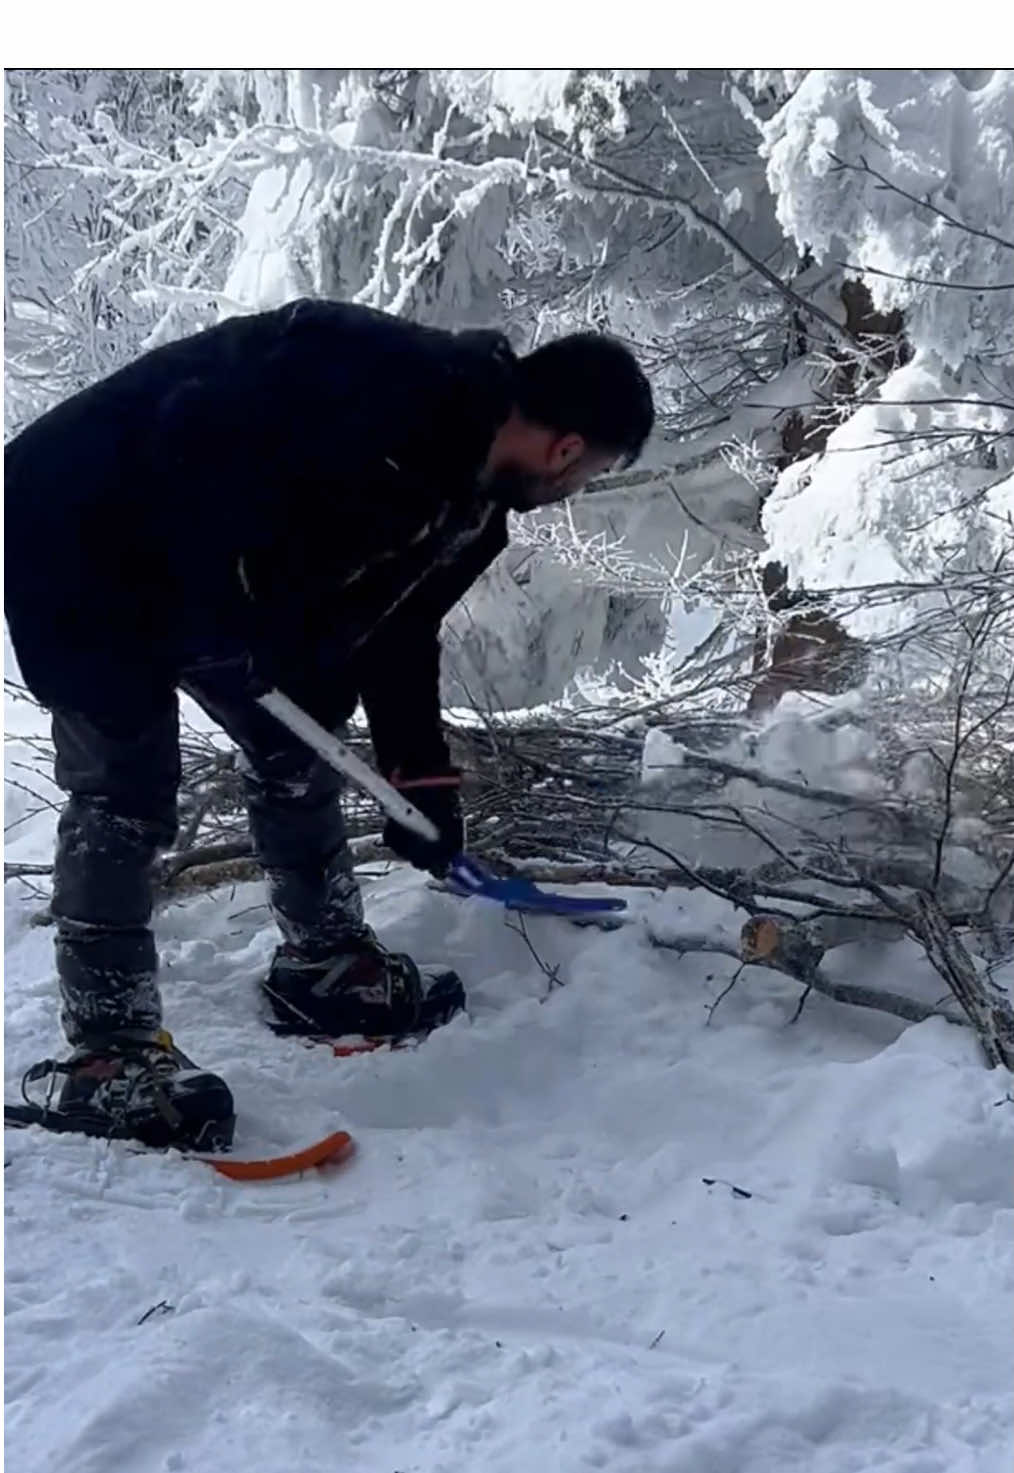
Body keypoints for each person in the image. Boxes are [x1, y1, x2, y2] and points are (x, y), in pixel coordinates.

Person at [4, 298, 654, 1150]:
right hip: (74, 527)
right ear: (568, 448)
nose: (575, 488)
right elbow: (194, 422)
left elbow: (396, 632)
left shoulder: (474, 508)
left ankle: (322, 963)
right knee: (125, 786)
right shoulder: (388, 378)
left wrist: (420, 780)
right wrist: (236, 612)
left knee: (302, 732)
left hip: (208, 585)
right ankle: (108, 1054)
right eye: (590, 473)